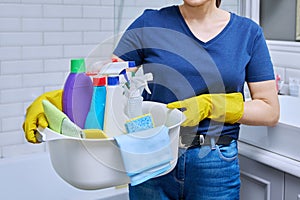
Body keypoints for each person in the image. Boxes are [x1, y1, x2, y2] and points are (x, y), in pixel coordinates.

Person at [23, 0, 280, 199]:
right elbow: (108, 82)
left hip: (215, 162)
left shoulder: (248, 34)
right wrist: (58, 101)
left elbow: (269, 110)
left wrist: (210, 106)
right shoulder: (149, 23)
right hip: (150, 154)